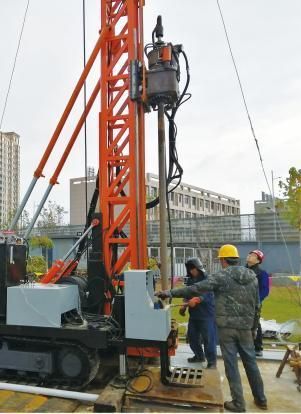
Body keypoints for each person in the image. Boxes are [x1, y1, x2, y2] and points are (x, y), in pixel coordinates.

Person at [156, 244, 267, 413]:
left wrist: (169, 293)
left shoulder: (221, 276)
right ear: (236, 259)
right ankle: (261, 399)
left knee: (231, 365)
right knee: (250, 362)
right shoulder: (252, 275)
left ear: (223, 260)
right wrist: (253, 328)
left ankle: (238, 403)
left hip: (227, 328)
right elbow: (257, 305)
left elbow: (196, 289)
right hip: (246, 327)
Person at [180, 258, 216, 368]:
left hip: (206, 315)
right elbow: (187, 293)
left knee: (208, 339)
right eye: (189, 269)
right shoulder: (190, 280)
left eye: (193, 269)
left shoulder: (208, 279)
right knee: (192, 337)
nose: (191, 271)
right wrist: (184, 305)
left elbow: (209, 294)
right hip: (194, 315)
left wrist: (197, 300)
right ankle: (199, 356)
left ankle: (212, 362)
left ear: (198, 268)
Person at [246, 250, 270, 357]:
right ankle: (243, 346)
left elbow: (265, 290)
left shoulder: (262, 273)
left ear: (258, 260)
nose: (249, 256)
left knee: (255, 324)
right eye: (250, 254)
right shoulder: (242, 270)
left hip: (254, 303)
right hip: (240, 302)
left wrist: (257, 301)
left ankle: (258, 347)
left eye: (253, 255)